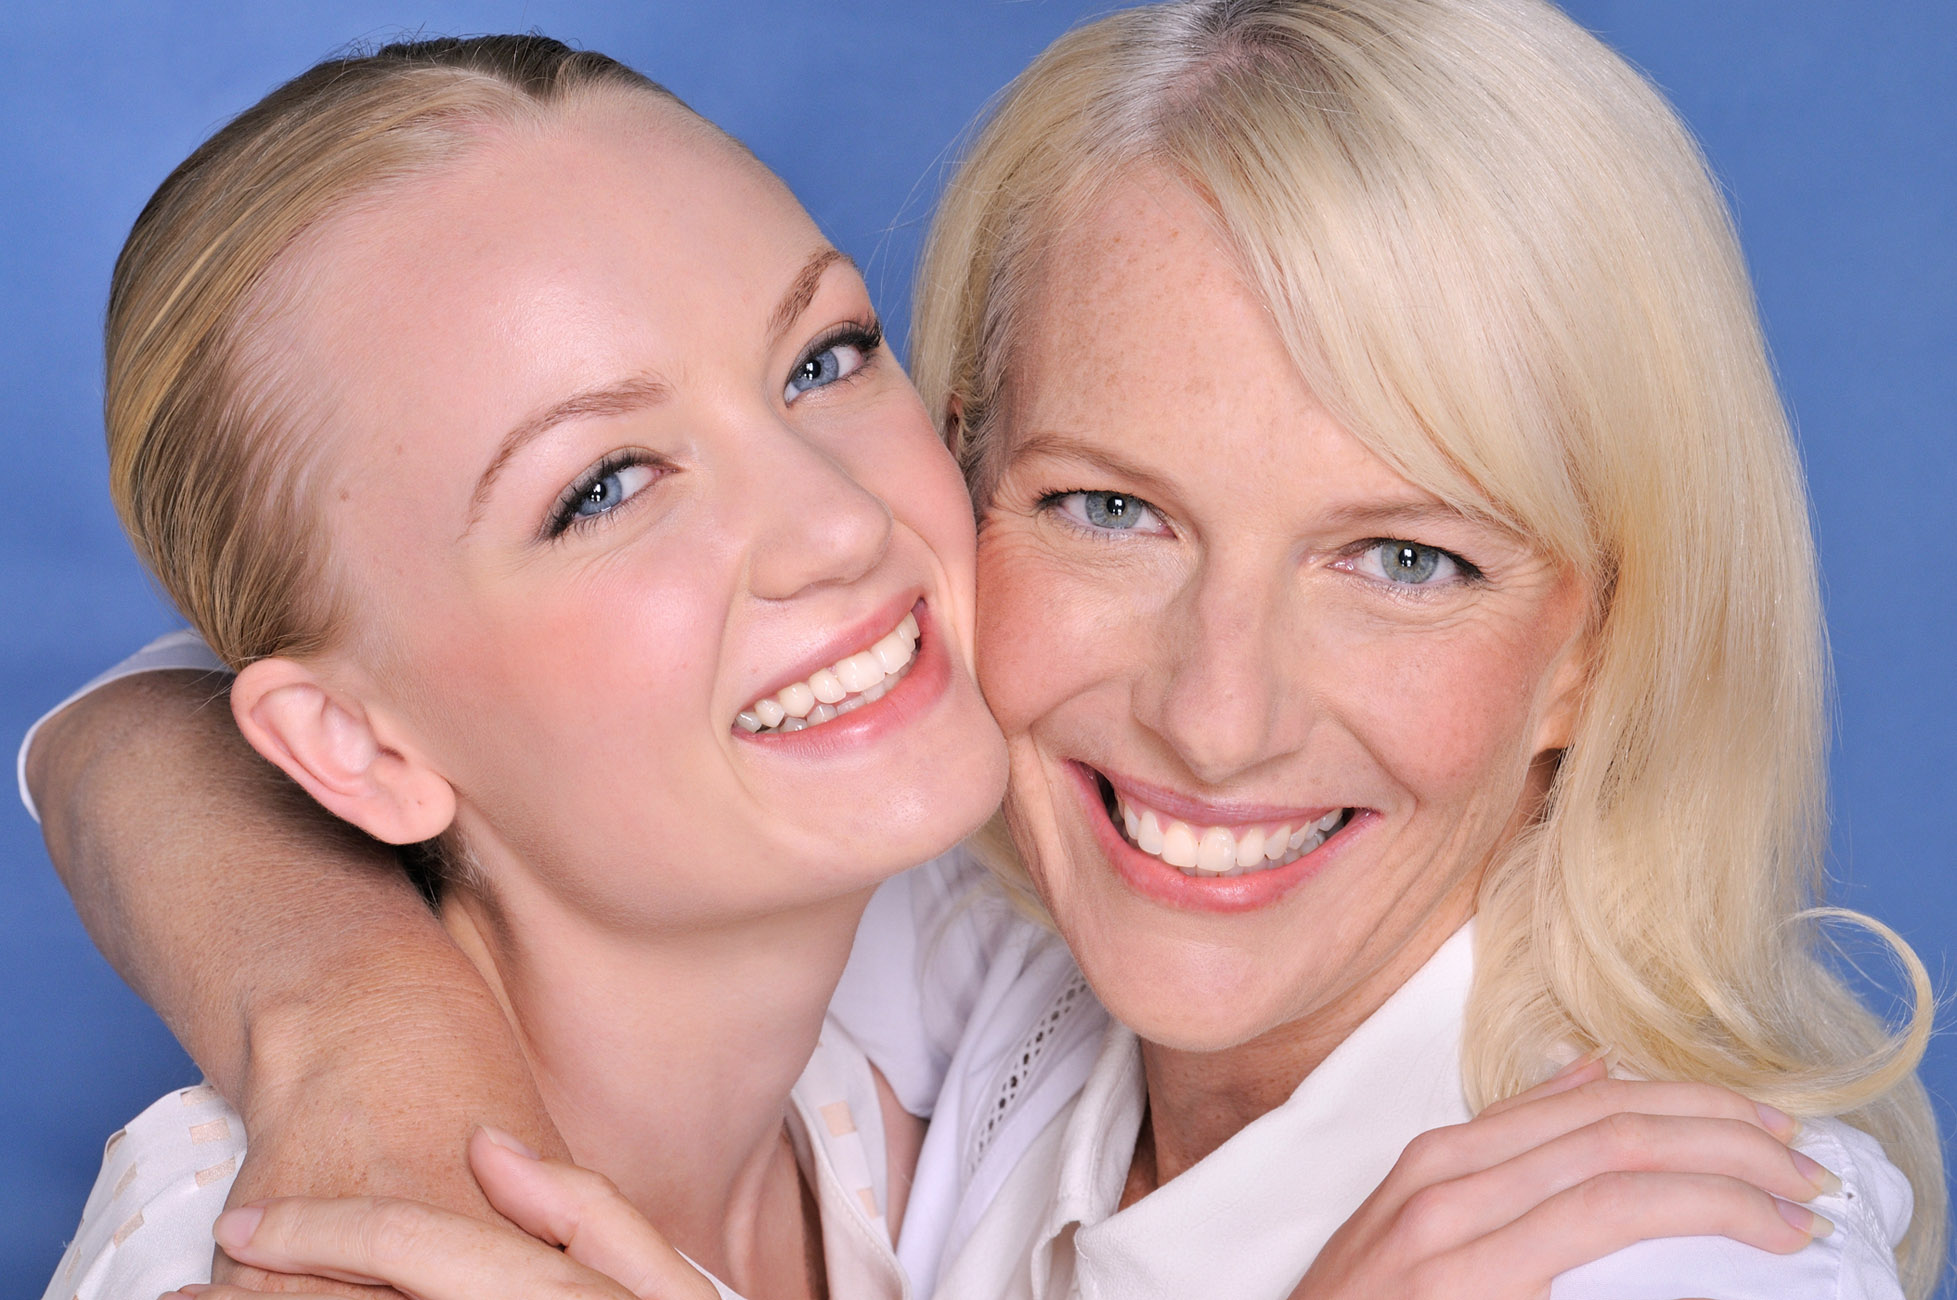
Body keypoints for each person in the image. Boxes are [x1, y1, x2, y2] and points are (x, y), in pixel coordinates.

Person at [24, 2, 1942, 1298]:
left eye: (819, 359)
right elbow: (149, 729)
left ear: (1597, 646)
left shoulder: (1657, 1245)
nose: (1214, 713)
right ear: (987, 470)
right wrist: (355, 1029)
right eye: (1108, 509)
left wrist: (347, 1006)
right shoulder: (934, 970)